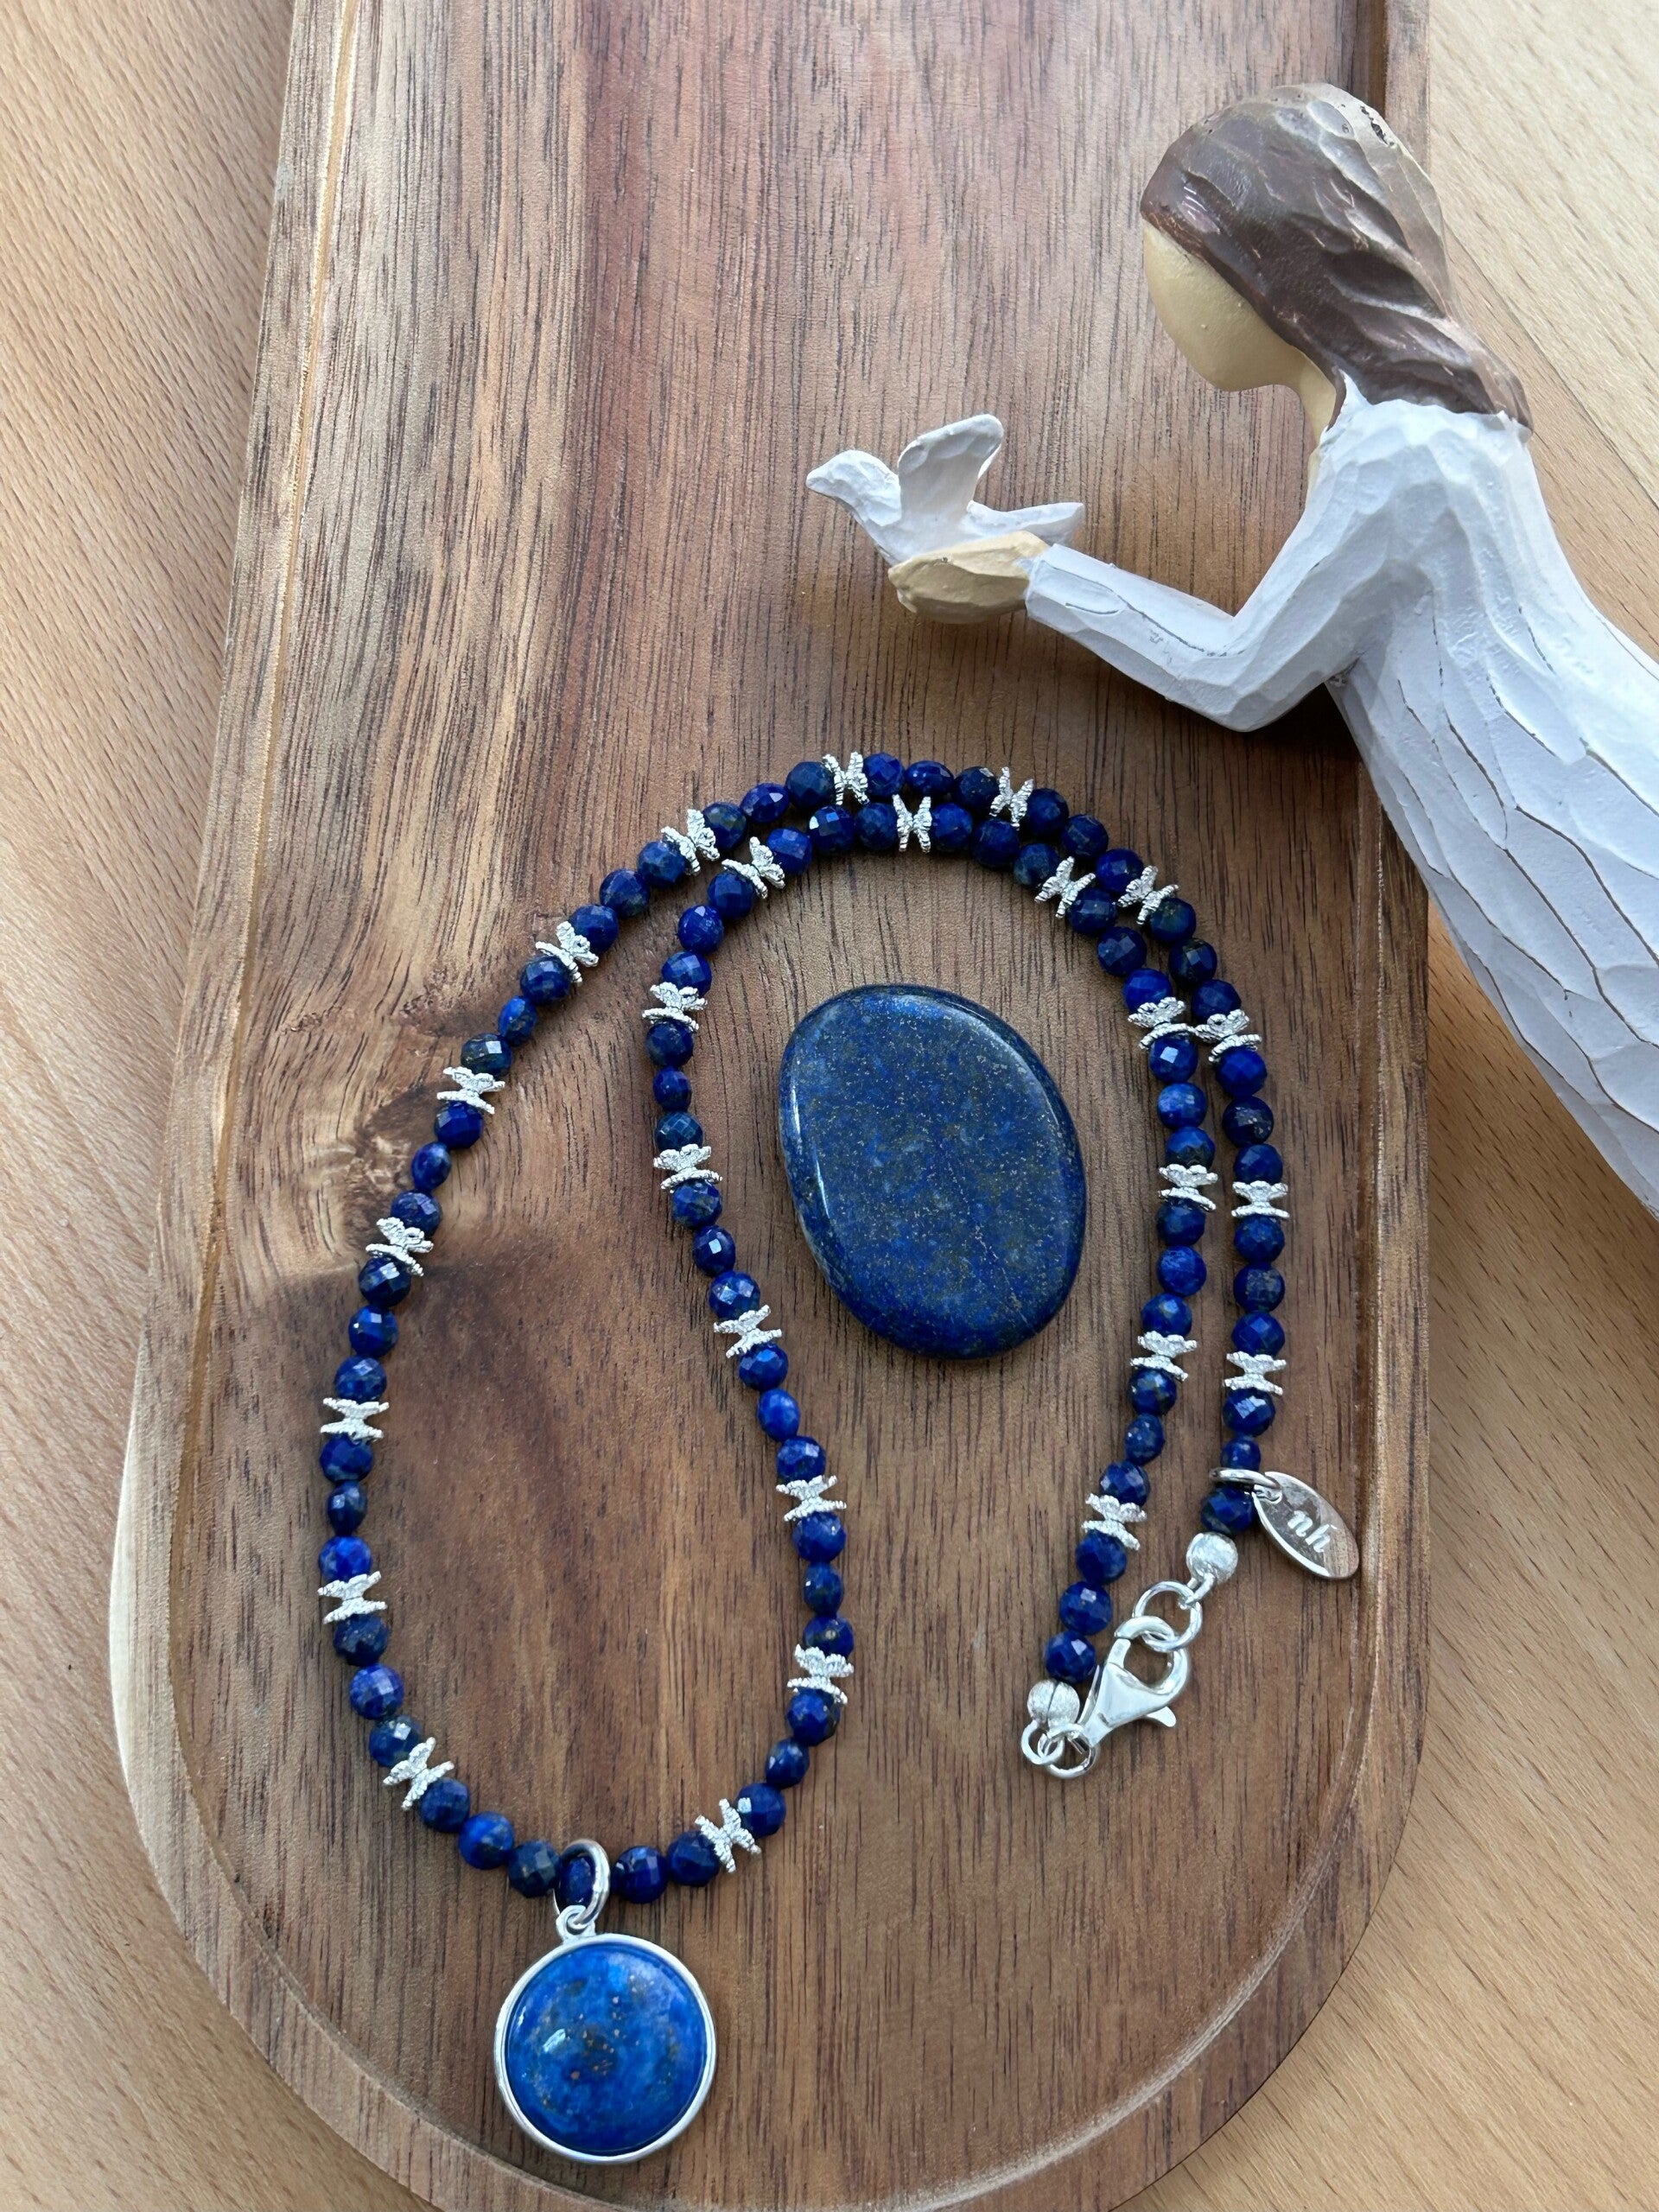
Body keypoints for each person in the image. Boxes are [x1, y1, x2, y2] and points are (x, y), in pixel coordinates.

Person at [810, 82, 1659, 1218]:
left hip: (1564, 810)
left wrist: (1029, 577)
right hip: (1537, 798)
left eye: (1181, 263)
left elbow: (1243, 675)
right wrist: (1018, 559)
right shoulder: (1415, 428)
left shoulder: (1401, 460)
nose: (1168, 296)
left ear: (1269, 274)